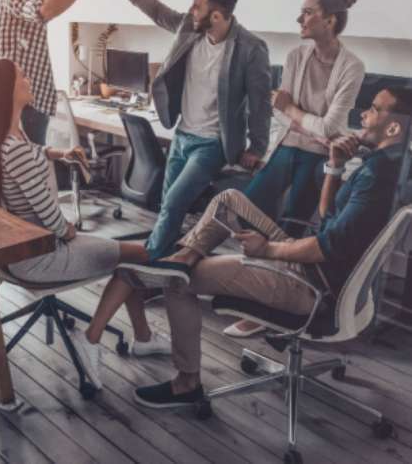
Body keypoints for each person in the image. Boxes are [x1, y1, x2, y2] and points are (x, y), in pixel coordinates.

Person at [119, 87, 411, 408]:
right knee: (229, 199)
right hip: (321, 271)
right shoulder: (393, 166)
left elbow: (323, 249)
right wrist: (336, 166)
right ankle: (182, 258)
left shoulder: (376, 176)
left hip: (313, 286)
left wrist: (265, 250)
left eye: (373, 109)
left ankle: (186, 382)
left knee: (178, 283)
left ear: (394, 127)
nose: (364, 115)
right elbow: (329, 219)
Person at [0, 59, 171, 390]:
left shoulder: (1, 140)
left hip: (17, 255)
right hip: (42, 256)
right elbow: (54, 222)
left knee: (124, 252)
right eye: (22, 76)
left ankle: (145, 338)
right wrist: (72, 231)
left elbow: (30, 154)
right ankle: (93, 338)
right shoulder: (15, 150)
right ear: (8, 91)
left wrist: (55, 153)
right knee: (136, 255)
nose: (29, 78)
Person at [227, 0, 365, 338]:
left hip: (318, 156)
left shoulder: (352, 66)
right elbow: (284, 117)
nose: (299, 18)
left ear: (329, 20)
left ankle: (272, 303)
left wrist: (293, 110)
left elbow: (331, 129)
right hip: (288, 145)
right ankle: (254, 286)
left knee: (293, 225)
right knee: (248, 207)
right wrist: (301, 117)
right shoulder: (295, 56)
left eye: (307, 12)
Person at [118, 0, 272, 262]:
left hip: (213, 143)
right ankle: (172, 263)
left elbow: (260, 102)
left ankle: (148, 267)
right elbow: (159, 12)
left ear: (216, 16)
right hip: (182, 134)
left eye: (198, 5)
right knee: (167, 203)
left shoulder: (250, 49)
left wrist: (257, 146)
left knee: (174, 202)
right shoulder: (190, 28)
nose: (191, 10)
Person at [0, 0, 104, 144]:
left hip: (34, 105)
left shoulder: (33, 1)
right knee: (26, 169)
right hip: (17, 106)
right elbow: (43, 11)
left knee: (34, 165)